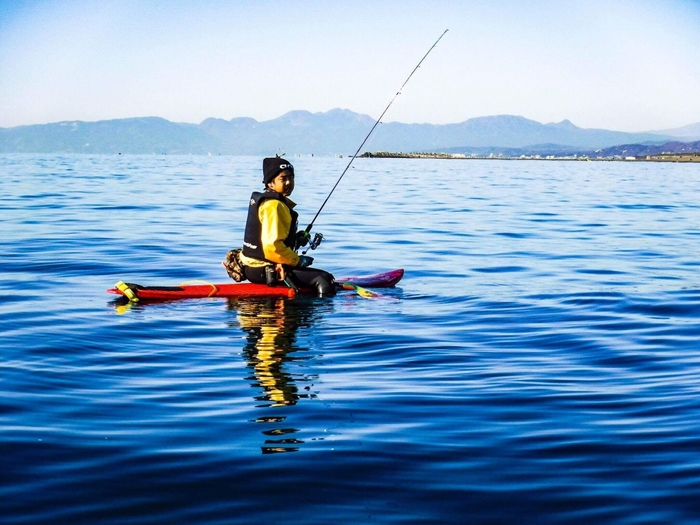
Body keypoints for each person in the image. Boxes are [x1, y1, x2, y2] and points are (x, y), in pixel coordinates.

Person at [237, 156, 336, 296]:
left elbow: (268, 238)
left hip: (253, 268)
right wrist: (298, 261)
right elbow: (272, 248)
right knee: (324, 279)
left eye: (291, 178)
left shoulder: (268, 201)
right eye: (283, 179)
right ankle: (304, 312)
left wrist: (295, 239)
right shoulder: (274, 205)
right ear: (270, 183)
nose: (289, 182)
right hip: (263, 270)